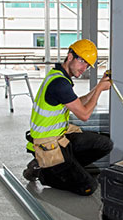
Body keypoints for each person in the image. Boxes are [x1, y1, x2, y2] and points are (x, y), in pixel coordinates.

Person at [23, 39, 113, 195]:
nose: (84, 68)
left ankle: (64, 167)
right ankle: (43, 172)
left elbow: (79, 103)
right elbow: (84, 114)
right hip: (47, 144)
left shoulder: (59, 76)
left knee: (105, 144)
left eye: (87, 65)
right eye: (82, 62)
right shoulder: (59, 84)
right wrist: (99, 90)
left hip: (59, 137)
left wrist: (98, 86)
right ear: (70, 56)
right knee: (88, 187)